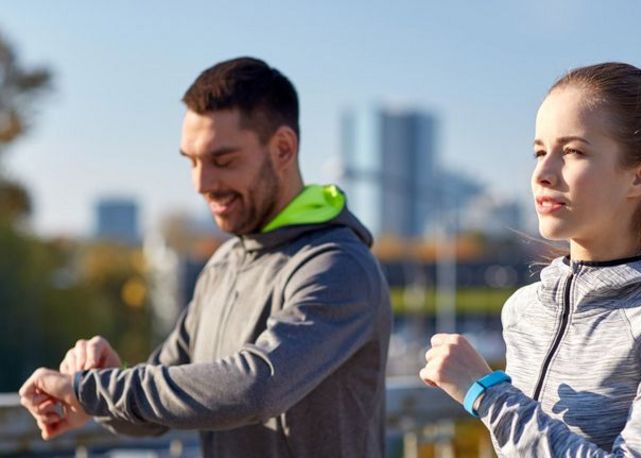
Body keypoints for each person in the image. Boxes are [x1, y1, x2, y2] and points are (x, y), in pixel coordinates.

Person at [18, 57, 393, 458]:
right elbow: (164, 402)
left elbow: (255, 388)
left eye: (223, 160)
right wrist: (100, 385)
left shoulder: (338, 266)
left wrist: (92, 393)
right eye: (192, 161)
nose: (201, 183)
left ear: (283, 149)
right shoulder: (222, 266)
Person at [419, 62, 641, 456]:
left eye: (572, 151)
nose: (542, 172)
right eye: (539, 151)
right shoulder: (523, 310)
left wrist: (486, 394)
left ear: (640, 177)